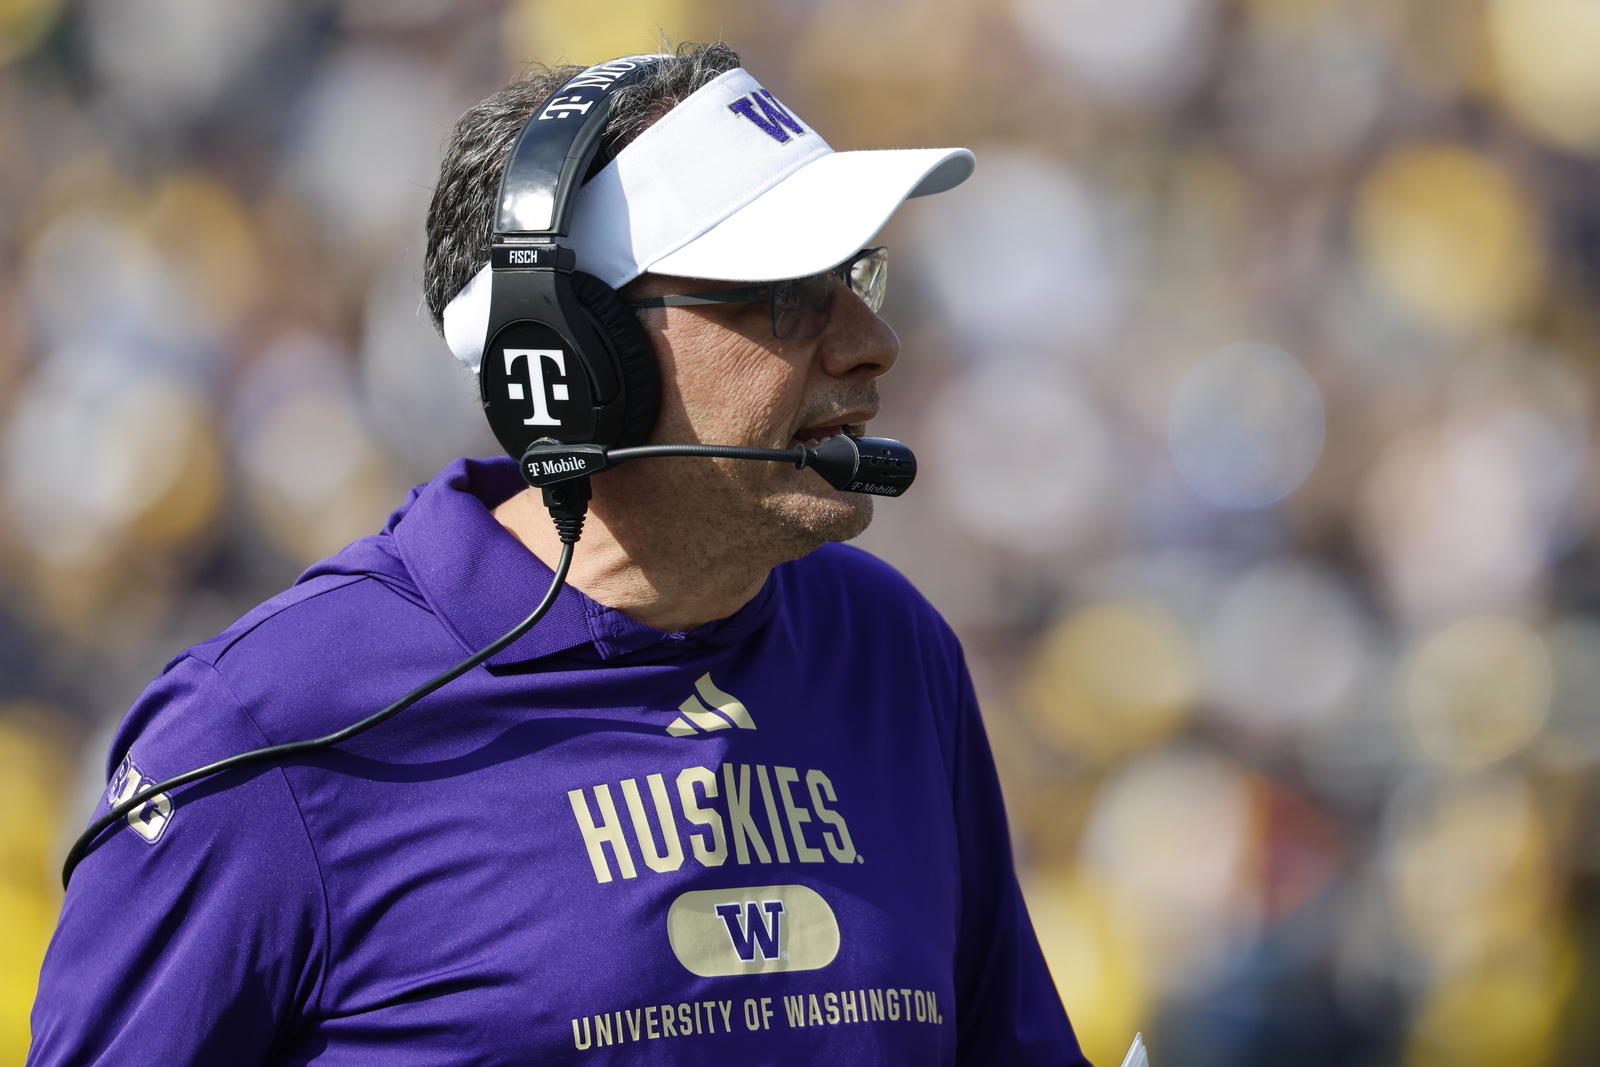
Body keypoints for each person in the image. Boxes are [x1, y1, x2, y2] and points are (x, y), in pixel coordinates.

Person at [29, 41, 1091, 1065]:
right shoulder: (270, 723)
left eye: (855, 276)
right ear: (575, 358)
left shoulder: (889, 650)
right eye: (788, 291)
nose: (870, 341)